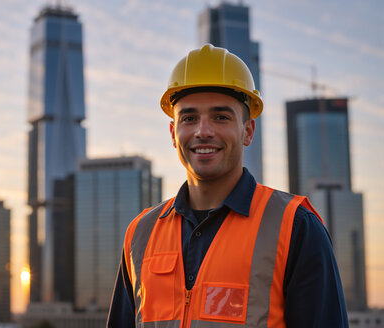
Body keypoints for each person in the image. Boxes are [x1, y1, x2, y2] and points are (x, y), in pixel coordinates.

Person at [107, 44, 348, 327]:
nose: (203, 131)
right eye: (189, 118)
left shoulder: (295, 227)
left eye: (221, 117)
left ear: (248, 131)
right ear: (173, 133)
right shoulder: (140, 235)